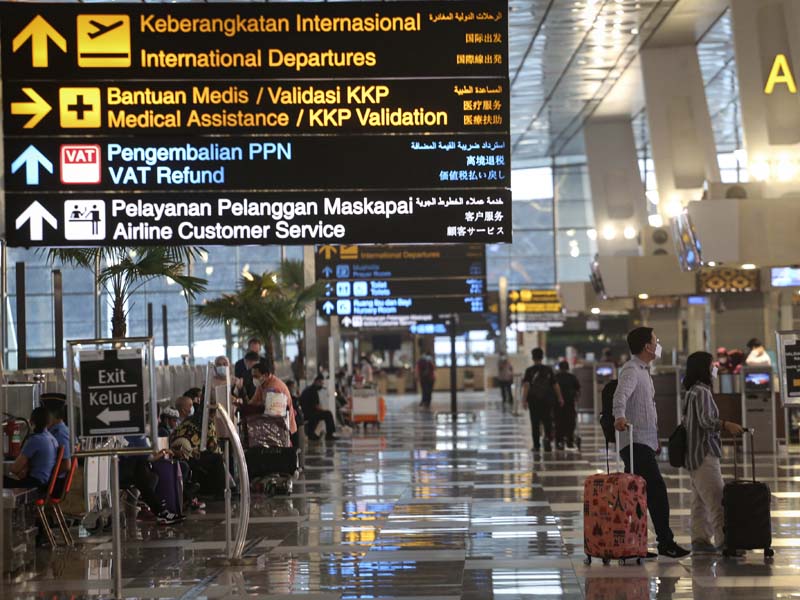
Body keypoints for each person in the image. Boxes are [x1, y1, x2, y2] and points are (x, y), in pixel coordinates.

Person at [613, 327, 690, 558]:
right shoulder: (632, 370)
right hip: (635, 442)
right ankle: (665, 542)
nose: (658, 344)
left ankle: (634, 542)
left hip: (643, 441)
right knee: (656, 490)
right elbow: (620, 396)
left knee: (637, 494)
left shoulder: (644, 370)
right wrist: (619, 417)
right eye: (656, 340)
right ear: (647, 346)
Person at [682, 351, 744, 553]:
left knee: (699, 501)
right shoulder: (702, 392)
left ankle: (700, 539)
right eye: (711, 365)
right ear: (704, 368)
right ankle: (724, 541)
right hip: (704, 453)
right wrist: (727, 425)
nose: (714, 368)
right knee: (717, 499)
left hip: (693, 454)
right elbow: (706, 421)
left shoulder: (692, 391)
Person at [4, 407, 58, 490]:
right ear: (48, 422)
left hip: (35, 484)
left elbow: (15, 469)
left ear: (32, 421)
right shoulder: (52, 439)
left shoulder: (35, 440)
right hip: (45, 482)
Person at [521, 348, 563, 452]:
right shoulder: (548, 369)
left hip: (534, 400)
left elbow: (526, 386)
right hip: (547, 400)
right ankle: (547, 440)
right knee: (547, 421)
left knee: (535, 423)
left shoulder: (529, 371)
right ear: (542, 357)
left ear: (532, 357)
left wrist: (524, 400)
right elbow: (555, 385)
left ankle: (536, 445)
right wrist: (560, 397)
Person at [248, 361, 298, 441]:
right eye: (253, 376)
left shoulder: (275, 387)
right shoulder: (262, 384)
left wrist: (258, 404)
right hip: (272, 427)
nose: (254, 379)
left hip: (283, 428)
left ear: (266, 375)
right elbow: (253, 402)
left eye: (256, 376)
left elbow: (270, 408)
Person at [41, 393, 71, 480]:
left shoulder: (60, 433)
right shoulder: (56, 429)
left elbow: (66, 465)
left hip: (55, 481)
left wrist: (48, 474)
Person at [299, 375, 338, 441]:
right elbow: (317, 406)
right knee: (328, 414)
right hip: (310, 413)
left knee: (318, 415)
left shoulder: (308, 389)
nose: (321, 385)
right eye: (321, 383)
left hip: (305, 413)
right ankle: (329, 435)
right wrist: (324, 410)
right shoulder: (314, 391)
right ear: (317, 382)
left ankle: (311, 434)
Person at [554, 361, 580, 450]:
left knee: (558, 422)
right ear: (568, 368)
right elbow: (578, 389)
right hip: (570, 403)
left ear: (559, 368)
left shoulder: (555, 377)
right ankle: (570, 441)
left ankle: (559, 441)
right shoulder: (572, 377)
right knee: (570, 422)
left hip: (558, 404)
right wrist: (576, 397)